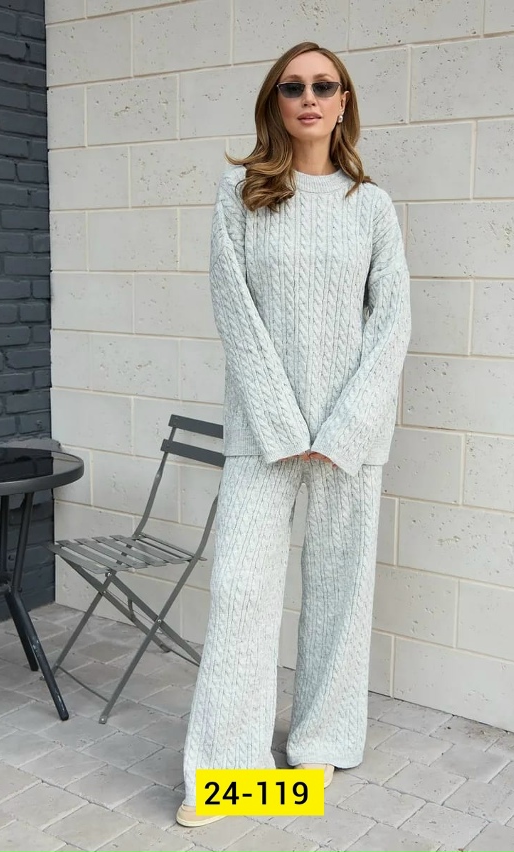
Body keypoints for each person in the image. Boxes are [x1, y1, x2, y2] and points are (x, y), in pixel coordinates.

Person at [176, 40, 411, 827]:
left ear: (343, 103)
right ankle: (227, 775)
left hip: (351, 436)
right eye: (292, 86)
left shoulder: (371, 206)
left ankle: (322, 739)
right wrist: (283, 423)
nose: (308, 97)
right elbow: (234, 312)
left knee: (341, 592)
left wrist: (342, 426)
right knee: (241, 594)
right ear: (274, 103)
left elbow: (392, 324)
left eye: (323, 85)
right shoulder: (240, 194)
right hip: (263, 433)